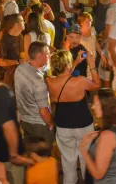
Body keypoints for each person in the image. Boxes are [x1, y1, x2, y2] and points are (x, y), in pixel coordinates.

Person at [46, 49, 100, 184]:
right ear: (67, 65)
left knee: (67, 159)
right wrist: (92, 65)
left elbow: (63, 77)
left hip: (63, 126)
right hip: (83, 125)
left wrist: (74, 62)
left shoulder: (49, 82)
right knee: (86, 157)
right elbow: (97, 85)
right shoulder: (80, 81)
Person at [80, 88, 116, 184]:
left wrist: (83, 150)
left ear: (105, 107)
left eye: (96, 104)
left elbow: (98, 174)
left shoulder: (107, 137)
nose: (92, 107)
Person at [14, 41, 54, 145]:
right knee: (43, 156)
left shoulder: (20, 69)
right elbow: (43, 112)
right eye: (48, 53)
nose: (50, 56)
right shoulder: (39, 81)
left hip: (24, 120)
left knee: (32, 153)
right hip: (39, 125)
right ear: (40, 56)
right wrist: (51, 124)